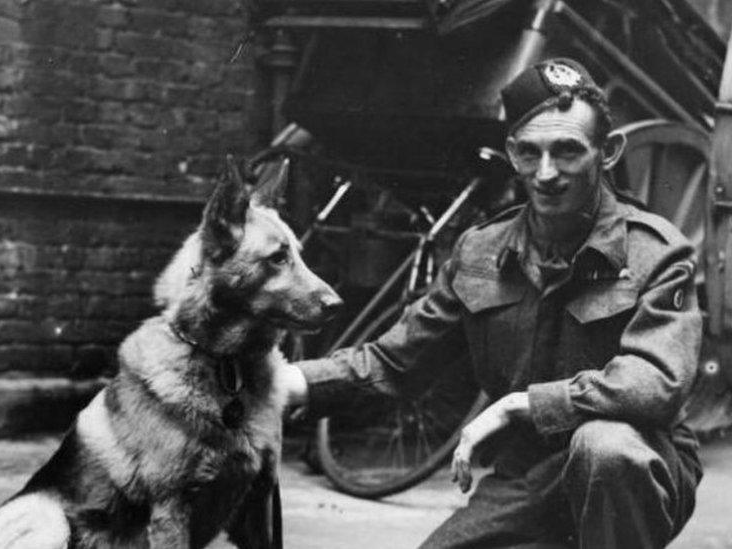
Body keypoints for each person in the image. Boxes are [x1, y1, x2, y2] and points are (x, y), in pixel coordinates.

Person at [280, 58, 703, 548]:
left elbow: (656, 382)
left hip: (638, 464)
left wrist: (520, 405)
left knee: (603, 447)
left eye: (567, 151)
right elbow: (397, 361)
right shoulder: (480, 251)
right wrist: (294, 383)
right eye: (529, 153)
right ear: (511, 153)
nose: (546, 173)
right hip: (529, 473)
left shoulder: (656, 252)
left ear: (606, 152)